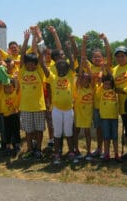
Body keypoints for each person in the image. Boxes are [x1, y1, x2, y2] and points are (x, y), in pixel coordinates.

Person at [42, 37, 78, 165]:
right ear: (56, 68)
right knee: (57, 133)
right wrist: (42, 54)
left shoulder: (70, 74)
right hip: (56, 110)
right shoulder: (52, 77)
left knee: (69, 132)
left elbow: (72, 61)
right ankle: (57, 154)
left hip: (69, 110)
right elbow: (43, 66)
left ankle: (71, 152)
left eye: (64, 68)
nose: (62, 70)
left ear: (67, 69)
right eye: (59, 68)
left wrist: (68, 50)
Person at [19, 29, 46, 160]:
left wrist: (39, 37)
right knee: (28, 131)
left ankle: (39, 150)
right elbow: (23, 53)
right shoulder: (22, 71)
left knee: (39, 130)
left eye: (32, 64)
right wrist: (26, 39)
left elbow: (42, 53)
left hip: (39, 106)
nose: (30, 66)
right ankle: (30, 149)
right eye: (27, 63)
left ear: (36, 65)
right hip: (25, 107)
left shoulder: (39, 71)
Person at [74, 35, 94, 161]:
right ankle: (76, 150)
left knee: (87, 133)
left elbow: (90, 74)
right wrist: (84, 43)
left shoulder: (92, 87)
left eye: (87, 78)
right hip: (78, 113)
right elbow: (80, 70)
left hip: (87, 114)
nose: (84, 79)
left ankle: (88, 152)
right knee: (76, 132)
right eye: (82, 78)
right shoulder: (78, 87)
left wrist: (88, 67)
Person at [99, 73, 120, 162]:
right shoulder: (101, 90)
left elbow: (114, 81)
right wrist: (103, 68)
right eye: (105, 83)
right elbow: (101, 78)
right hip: (104, 118)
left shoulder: (115, 91)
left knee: (115, 137)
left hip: (114, 118)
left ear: (112, 84)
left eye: (109, 84)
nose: (106, 85)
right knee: (106, 137)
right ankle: (106, 154)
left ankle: (116, 154)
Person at [0, 77, 21, 156]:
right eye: (6, 87)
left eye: (10, 87)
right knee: (7, 132)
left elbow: (18, 87)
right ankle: (8, 146)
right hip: (6, 116)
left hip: (14, 115)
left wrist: (16, 79)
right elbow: (0, 85)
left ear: (13, 87)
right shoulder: (2, 94)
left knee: (16, 131)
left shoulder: (15, 93)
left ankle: (17, 146)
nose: (8, 89)